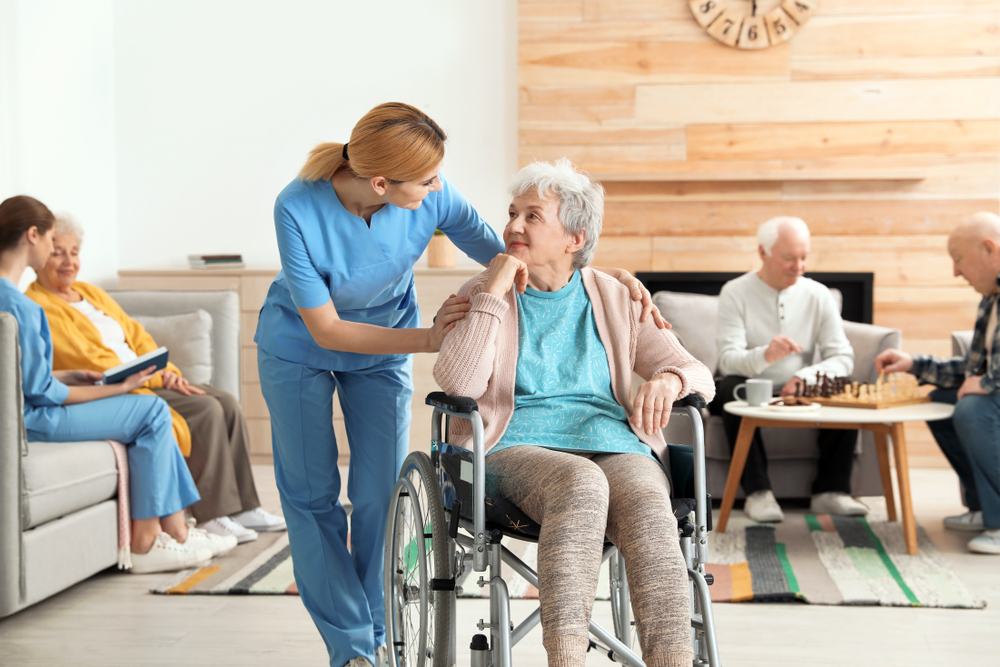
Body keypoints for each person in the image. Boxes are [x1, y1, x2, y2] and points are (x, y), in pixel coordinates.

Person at [255, 103, 665, 667]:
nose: (438, 187)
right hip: (300, 349)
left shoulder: (434, 196)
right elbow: (325, 327)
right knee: (311, 498)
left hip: (384, 351)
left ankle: (377, 627)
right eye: (425, 180)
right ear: (381, 183)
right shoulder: (296, 206)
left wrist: (605, 276)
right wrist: (428, 341)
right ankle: (351, 647)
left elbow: (521, 254)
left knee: (378, 494)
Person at [434, 159, 715, 667]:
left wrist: (669, 380)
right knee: (581, 482)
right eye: (513, 213)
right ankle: (566, 659)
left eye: (533, 216)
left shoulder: (616, 296)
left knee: (648, 502)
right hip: (513, 446)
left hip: (614, 442)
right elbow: (458, 382)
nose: (513, 226)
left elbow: (697, 372)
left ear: (574, 237)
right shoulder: (483, 294)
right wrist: (492, 293)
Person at [0, 195, 235, 573]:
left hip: (25, 410)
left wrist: (67, 374)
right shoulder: (25, 307)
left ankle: (177, 531)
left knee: (155, 409)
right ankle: (146, 541)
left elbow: (17, 375)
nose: (55, 250)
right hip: (35, 419)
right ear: (32, 235)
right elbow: (43, 396)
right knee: (151, 411)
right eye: (50, 241)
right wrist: (119, 389)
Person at [25, 214, 285, 544]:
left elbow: (137, 335)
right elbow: (86, 361)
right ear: (41, 254)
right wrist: (151, 380)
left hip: (148, 377)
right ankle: (211, 515)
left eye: (74, 252)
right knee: (206, 411)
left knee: (225, 402)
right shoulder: (37, 304)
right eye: (58, 251)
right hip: (121, 389)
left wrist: (167, 374)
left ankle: (244, 507)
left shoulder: (90, 293)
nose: (68, 261)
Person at [709, 216, 867, 523]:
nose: (799, 266)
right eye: (789, 258)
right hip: (749, 386)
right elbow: (727, 359)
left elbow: (842, 356)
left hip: (798, 389)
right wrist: (765, 355)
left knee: (846, 385)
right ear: (763, 253)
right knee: (729, 385)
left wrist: (803, 377)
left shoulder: (818, 295)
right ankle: (758, 493)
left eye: (804, 257)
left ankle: (830, 492)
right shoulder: (735, 291)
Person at [875, 212, 1000, 555]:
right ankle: (982, 507)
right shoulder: (991, 299)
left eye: (958, 259)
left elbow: (986, 378)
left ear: (989, 249)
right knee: (941, 402)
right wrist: (914, 363)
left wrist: (988, 384)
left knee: (974, 408)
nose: (955, 271)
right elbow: (970, 368)